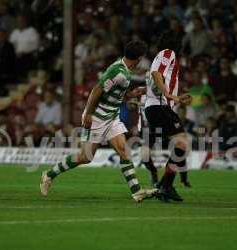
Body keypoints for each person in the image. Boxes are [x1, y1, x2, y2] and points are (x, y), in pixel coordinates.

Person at [40, 41, 157, 203]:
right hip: (98, 118)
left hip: (112, 117)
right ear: (138, 59)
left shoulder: (124, 71)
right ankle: (49, 175)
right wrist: (88, 113)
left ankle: (137, 192)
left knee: (124, 151)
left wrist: (130, 95)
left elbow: (114, 93)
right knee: (85, 157)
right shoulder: (118, 71)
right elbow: (97, 90)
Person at [144, 31, 192, 202]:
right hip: (160, 106)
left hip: (156, 107)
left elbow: (154, 79)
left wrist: (176, 98)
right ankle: (165, 185)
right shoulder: (167, 53)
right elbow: (156, 74)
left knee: (180, 145)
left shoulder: (158, 57)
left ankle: (164, 185)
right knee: (182, 144)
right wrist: (168, 95)